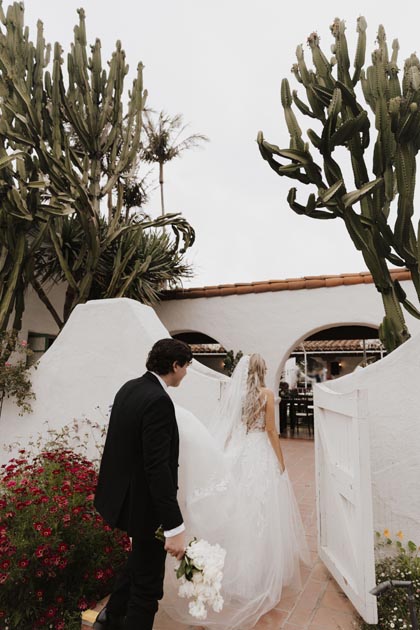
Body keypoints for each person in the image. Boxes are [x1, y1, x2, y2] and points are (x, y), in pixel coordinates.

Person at [162, 353, 309, 629]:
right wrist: (281, 462)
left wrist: (226, 454)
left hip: (242, 453)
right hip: (260, 453)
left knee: (241, 509)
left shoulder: (238, 396)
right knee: (263, 511)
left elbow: (231, 427)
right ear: (261, 370)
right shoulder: (265, 394)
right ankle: (259, 574)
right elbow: (271, 431)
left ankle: (239, 572)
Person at [93, 338, 193, 630]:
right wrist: (174, 527)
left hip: (125, 500)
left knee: (138, 563)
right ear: (175, 365)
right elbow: (157, 468)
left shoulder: (130, 387)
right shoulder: (159, 401)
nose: (186, 373)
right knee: (148, 588)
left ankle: (110, 618)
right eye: (186, 367)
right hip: (145, 508)